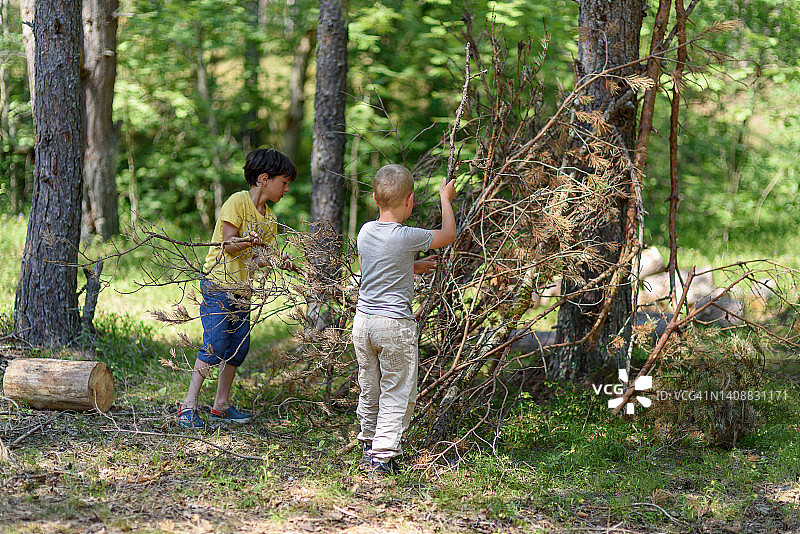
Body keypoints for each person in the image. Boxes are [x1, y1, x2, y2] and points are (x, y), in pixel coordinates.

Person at [178, 148, 297, 429]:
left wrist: (280, 261)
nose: (287, 189)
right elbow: (228, 244)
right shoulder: (237, 201)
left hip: (243, 291)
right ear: (264, 179)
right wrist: (248, 240)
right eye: (284, 182)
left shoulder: (269, 219)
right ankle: (187, 406)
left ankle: (220, 406)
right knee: (216, 343)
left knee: (238, 348)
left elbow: (260, 259)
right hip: (218, 285)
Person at [353, 164, 457, 475]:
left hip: (364, 323)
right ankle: (383, 459)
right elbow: (449, 234)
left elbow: (372, 269)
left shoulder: (365, 231)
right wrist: (445, 197)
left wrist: (415, 266)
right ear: (409, 200)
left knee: (369, 387)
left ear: (375, 198)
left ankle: (368, 445)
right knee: (397, 389)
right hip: (394, 325)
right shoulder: (407, 236)